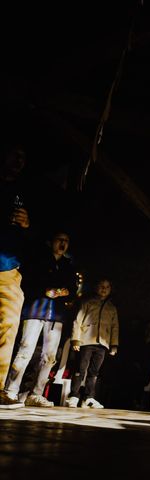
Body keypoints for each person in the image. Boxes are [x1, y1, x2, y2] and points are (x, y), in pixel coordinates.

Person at [2, 230, 76, 407]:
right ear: (51, 242)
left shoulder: (68, 265)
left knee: (49, 356)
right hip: (35, 310)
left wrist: (67, 292)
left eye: (66, 240)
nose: (63, 243)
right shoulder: (39, 260)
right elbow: (29, 280)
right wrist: (44, 290)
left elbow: (73, 288)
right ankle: (11, 390)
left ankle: (36, 393)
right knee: (26, 349)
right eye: (60, 239)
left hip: (56, 315)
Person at [0, 142, 31, 408]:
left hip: (8, 269)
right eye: (15, 154)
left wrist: (27, 224)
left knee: (8, 326)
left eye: (23, 157)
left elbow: (38, 237)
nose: (19, 161)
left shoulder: (23, 192)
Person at [65, 278, 119, 409]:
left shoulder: (112, 308)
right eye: (101, 286)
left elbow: (114, 327)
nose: (104, 289)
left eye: (107, 287)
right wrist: (76, 339)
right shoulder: (87, 302)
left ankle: (88, 397)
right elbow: (78, 320)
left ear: (110, 289)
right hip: (86, 340)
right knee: (80, 368)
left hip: (102, 343)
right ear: (96, 288)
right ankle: (74, 395)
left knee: (94, 371)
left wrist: (113, 344)